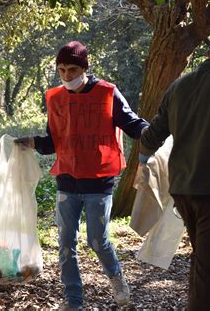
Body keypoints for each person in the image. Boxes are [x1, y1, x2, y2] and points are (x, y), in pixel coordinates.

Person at [15, 41, 149, 309]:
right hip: (67, 180)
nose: (67, 76)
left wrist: (155, 133)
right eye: (62, 70)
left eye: (73, 69)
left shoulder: (107, 93)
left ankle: (117, 280)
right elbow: (54, 141)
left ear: (85, 68)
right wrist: (31, 142)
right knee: (65, 244)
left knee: (98, 241)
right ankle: (73, 302)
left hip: (99, 182)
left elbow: (133, 123)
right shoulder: (55, 97)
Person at [139, 24, 210, 310]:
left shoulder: (179, 86)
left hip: (183, 191)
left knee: (205, 263)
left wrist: (142, 162)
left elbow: (151, 136)